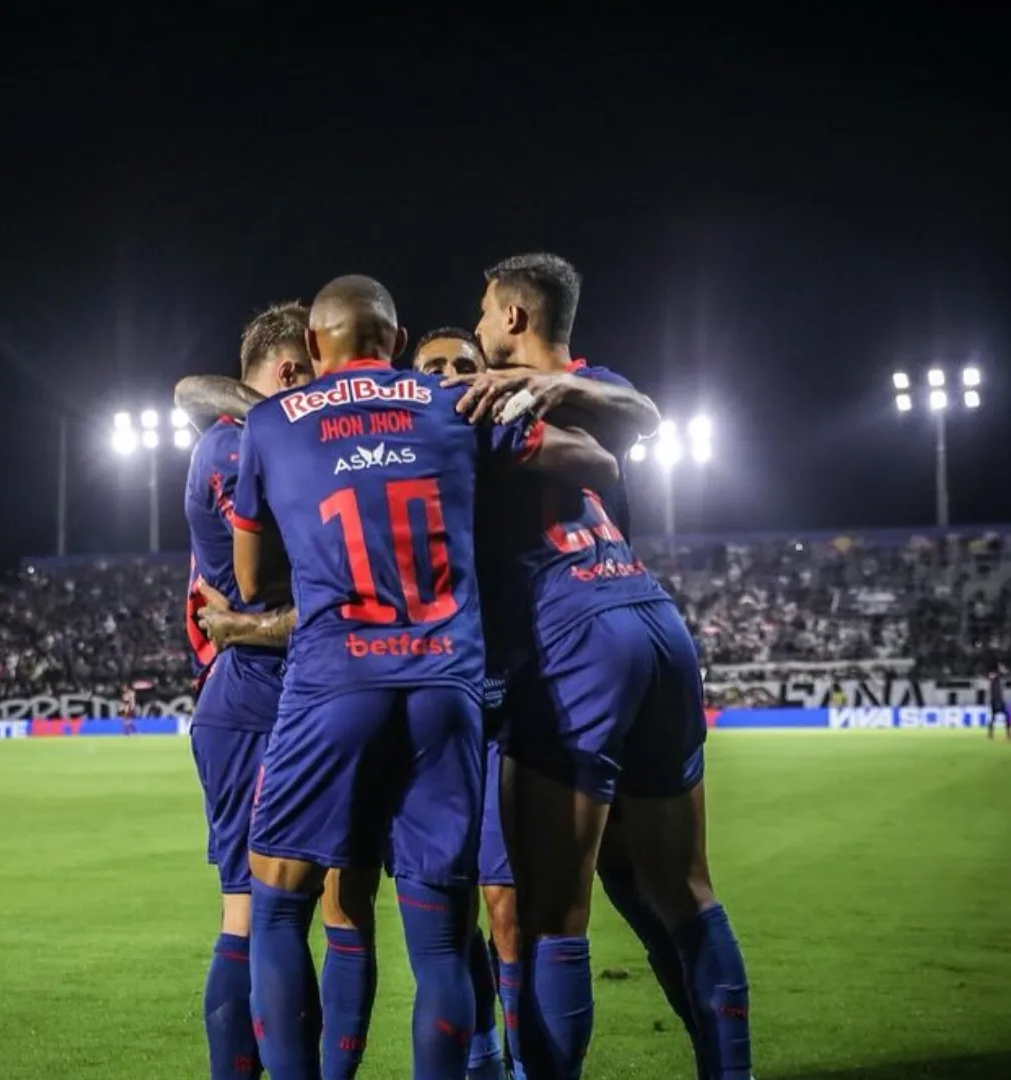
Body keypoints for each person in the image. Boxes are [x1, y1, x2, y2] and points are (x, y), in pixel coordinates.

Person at [231, 274, 618, 1080]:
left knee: (277, 909)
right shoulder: (457, 402)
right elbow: (596, 463)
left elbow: (252, 580)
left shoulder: (270, 422)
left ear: (314, 345)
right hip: (446, 685)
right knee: (441, 940)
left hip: (333, 681)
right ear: (399, 341)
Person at [462, 252, 754, 1080]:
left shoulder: (531, 395)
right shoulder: (594, 392)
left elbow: (645, 417)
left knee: (552, 917)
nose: (478, 330)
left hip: (571, 635)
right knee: (682, 890)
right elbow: (638, 423)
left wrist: (535, 389)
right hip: (652, 618)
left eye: (483, 312)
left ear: (514, 315)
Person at [174, 301, 315, 1080]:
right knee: (256, 913)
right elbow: (281, 576)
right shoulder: (233, 448)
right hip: (255, 698)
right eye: (318, 374)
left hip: (295, 691)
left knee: (299, 914)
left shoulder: (257, 436)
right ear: (291, 372)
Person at [409, 324, 516, 1080]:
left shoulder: (512, 454)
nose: (448, 376)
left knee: (505, 902)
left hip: (507, 706)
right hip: (431, 707)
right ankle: (481, 1053)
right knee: (449, 908)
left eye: (461, 365)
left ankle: (523, 1058)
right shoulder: (392, 467)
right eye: (431, 367)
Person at [986, 664, 1011, 742]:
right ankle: (1008, 735)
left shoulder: (996, 677)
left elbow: (1008, 676)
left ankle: (991, 735)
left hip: (998, 700)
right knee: (997, 717)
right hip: (996, 700)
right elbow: (998, 676)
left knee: (997, 717)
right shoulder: (993, 675)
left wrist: (1004, 671)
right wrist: (1003, 670)